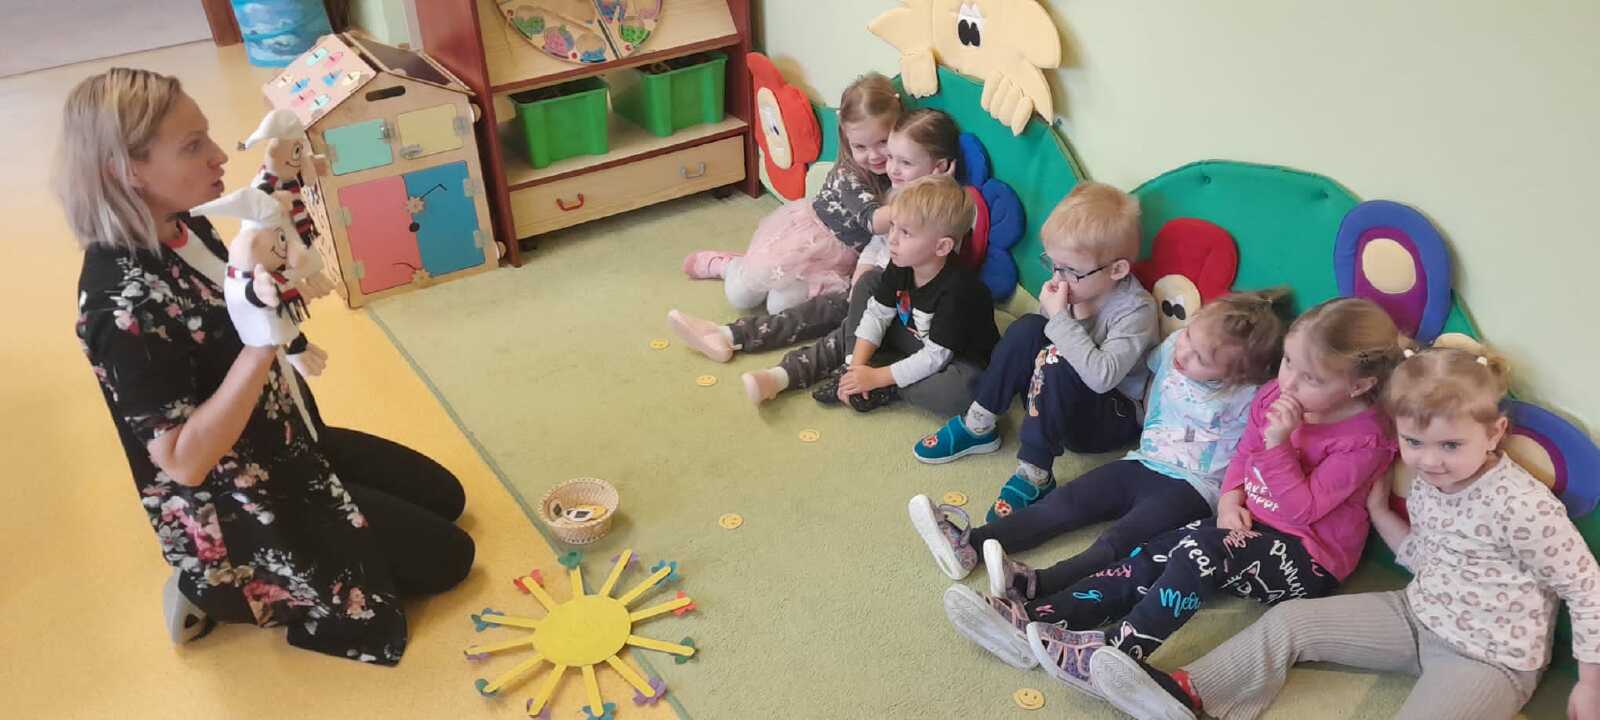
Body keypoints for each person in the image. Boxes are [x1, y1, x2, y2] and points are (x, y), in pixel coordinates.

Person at [61, 68, 473, 664]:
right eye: (192, 146)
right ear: (126, 171)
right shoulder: (119, 305)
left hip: (283, 440)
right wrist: (260, 344)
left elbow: (241, 295)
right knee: (450, 559)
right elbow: (183, 460)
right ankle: (208, 587)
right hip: (237, 503)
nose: (218, 155)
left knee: (445, 497)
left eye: (207, 135)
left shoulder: (183, 221)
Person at [1091, 345, 1600, 720]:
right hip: (1418, 613)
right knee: (1290, 622)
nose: (1429, 461)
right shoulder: (1428, 484)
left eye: (1450, 445)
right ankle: (1188, 692)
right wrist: (1379, 512)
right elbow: (1428, 556)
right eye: (1414, 442)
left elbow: (1586, 588)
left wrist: (1590, 683)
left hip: (1490, 657)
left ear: (1494, 433)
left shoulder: (1522, 504)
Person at [909, 290, 1288, 615]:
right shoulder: (1175, 346)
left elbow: (1255, 450)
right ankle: (970, 544)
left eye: (1201, 359)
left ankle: (1036, 584)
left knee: (1118, 541)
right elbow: (1148, 375)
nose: (1184, 352)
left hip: (1193, 487)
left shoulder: (1251, 395)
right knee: (1064, 503)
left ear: (1237, 376)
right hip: (1143, 461)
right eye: (1188, 335)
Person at [912, 182, 1158, 522]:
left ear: (1117, 270)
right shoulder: (1074, 288)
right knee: (1028, 327)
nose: (1059, 278)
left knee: (1057, 357)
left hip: (1110, 416)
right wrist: (1056, 315)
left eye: (1070, 270)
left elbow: (1102, 378)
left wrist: (1060, 319)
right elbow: (1043, 342)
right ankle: (979, 424)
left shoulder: (1135, 309)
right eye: (1053, 265)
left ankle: (1035, 474)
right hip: (1058, 398)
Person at [681, 72, 900, 313]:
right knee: (741, 296)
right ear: (847, 140)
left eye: (882, 142)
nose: (873, 155)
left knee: (778, 307)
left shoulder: (900, 169)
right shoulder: (848, 174)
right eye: (860, 146)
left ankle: (761, 276)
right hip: (809, 238)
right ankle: (731, 265)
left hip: (839, 260)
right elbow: (872, 221)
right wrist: (914, 207)